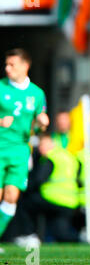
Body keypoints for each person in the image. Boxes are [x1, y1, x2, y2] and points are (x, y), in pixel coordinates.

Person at [0, 48, 49, 249]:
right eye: (6, 64)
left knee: (12, 196)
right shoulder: (1, 87)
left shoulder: (37, 93)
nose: (7, 68)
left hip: (20, 151)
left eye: (12, 64)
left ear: (25, 66)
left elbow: (37, 125)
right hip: (1, 148)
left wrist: (42, 123)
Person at [13, 133, 80, 243]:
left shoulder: (50, 158)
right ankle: (80, 239)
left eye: (42, 145)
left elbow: (38, 180)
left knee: (25, 203)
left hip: (54, 199)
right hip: (70, 201)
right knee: (61, 234)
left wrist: (23, 185)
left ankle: (29, 235)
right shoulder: (67, 156)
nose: (40, 148)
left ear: (51, 145)